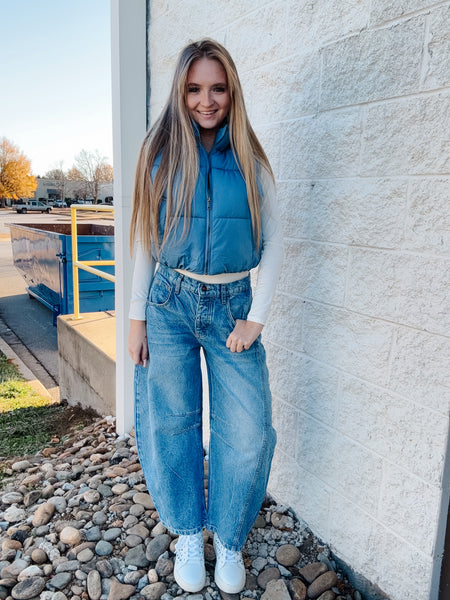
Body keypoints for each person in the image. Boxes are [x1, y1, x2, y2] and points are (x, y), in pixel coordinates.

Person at [127, 39, 283, 594]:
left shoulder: (251, 160)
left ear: (232, 91)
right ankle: (190, 533)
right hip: (168, 302)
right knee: (172, 421)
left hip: (231, 306)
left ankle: (231, 537)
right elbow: (146, 239)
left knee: (248, 430)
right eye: (194, 89)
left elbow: (276, 240)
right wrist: (136, 318)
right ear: (181, 91)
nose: (206, 100)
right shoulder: (160, 154)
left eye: (217, 88)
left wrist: (256, 318)